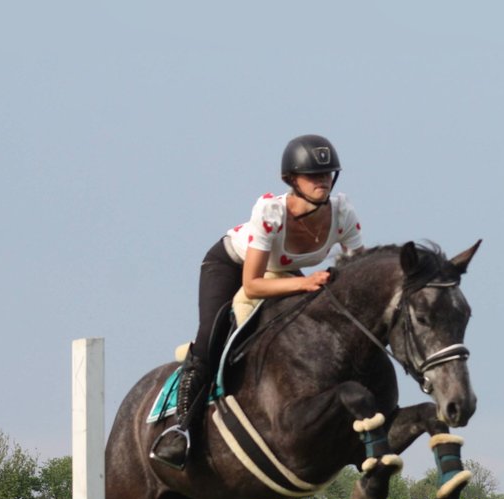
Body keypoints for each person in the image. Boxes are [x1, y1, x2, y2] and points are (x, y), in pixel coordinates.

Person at [151, 134, 366, 470]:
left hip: (281, 270)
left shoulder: (343, 214)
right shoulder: (270, 212)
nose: (322, 181)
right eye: (314, 176)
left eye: (327, 175)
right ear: (293, 180)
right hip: (232, 266)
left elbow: (357, 273)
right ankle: (182, 430)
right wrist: (307, 281)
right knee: (212, 336)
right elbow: (251, 285)